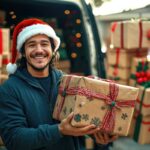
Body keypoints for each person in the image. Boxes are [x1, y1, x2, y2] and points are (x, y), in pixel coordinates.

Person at [0, 18, 118, 150]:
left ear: (53, 49)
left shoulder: (68, 83)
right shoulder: (9, 89)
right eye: (31, 45)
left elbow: (79, 120)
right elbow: (14, 139)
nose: (39, 50)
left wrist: (97, 136)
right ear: (23, 52)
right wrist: (59, 130)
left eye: (44, 44)